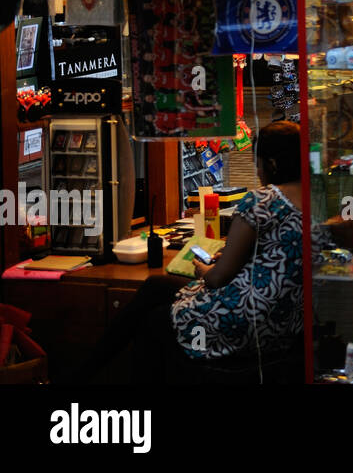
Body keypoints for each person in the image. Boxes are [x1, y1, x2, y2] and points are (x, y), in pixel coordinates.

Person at [77, 121, 304, 382]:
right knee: (156, 287)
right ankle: (82, 375)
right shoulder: (314, 199)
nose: (258, 172)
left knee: (154, 322)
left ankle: (87, 378)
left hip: (243, 321)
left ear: (272, 164)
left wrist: (204, 269)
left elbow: (218, 278)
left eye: (258, 164)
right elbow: (279, 256)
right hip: (285, 322)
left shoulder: (263, 200)